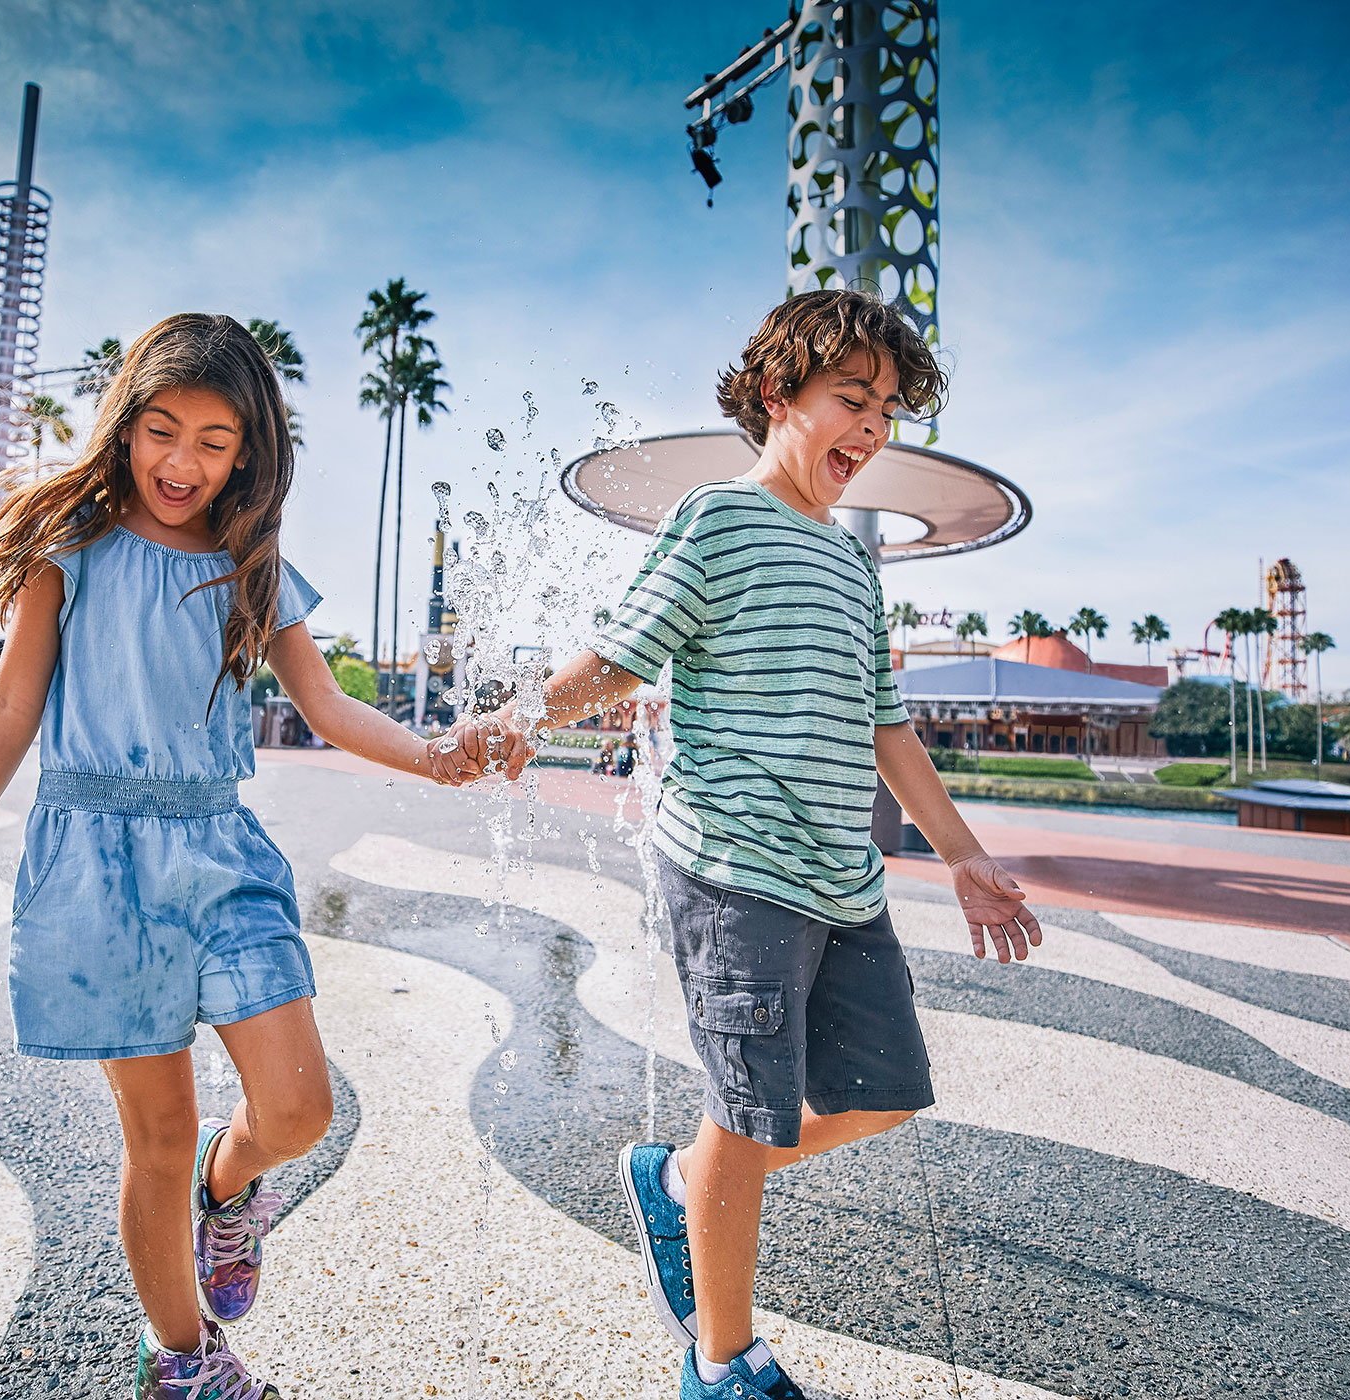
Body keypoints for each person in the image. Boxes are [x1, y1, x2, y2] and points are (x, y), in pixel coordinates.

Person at [439, 289, 1043, 1400]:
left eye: (886, 410)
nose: (869, 428)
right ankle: (720, 1359)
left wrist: (959, 852)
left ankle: (679, 1180)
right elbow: (623, 655)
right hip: (731, 868)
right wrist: (519, 722)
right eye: (849, 399)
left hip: (838, 878)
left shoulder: (851, 564)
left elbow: (883, 723)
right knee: (745, 1111)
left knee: (883, 1092)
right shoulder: (719, 517)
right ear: (777, 395)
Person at [0, 314, 454, 1399]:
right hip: (94, 861)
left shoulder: (251, 563)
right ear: (126, 423)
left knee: (297, 1107)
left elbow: (325, 705)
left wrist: (436, 756)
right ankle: (181, 1357)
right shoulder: (68, 548)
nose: (181, 462)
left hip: (219, 849)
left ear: (248, 451)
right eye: (161, 428)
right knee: (158, 1130)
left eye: (214, 439)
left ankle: (226, 1196)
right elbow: (6, 713)